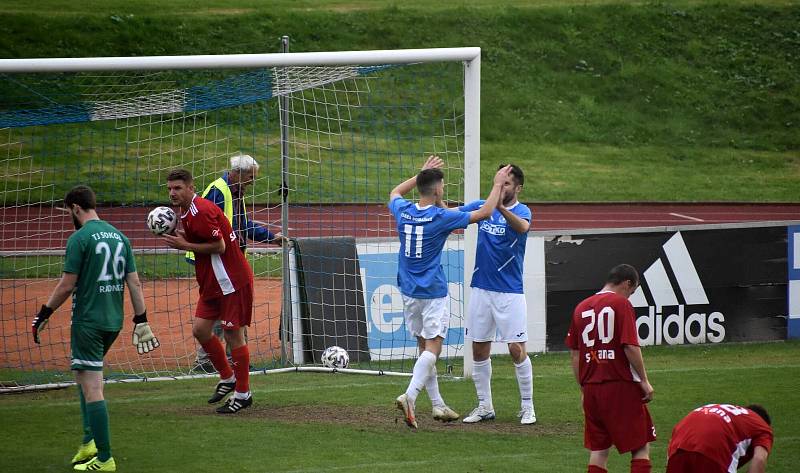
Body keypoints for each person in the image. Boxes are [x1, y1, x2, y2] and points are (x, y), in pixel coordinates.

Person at [31, 185, 159, 472]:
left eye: (68, 211)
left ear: (76, 207)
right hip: (113, 321)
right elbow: (134, 282)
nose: (69, 216)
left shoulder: (79, 238)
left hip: (88, 322)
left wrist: (44, 313)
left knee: (92, 386)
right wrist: (142, 319)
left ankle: (104, 457)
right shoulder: (121, 237)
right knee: (84, 374)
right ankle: (89, 440)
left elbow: (67, 284)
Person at [390, 155, 512, 429]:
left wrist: (421, 172)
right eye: (442, 185)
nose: (443, 189)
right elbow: (484, 213)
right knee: (434, 347)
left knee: (423, 346)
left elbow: (395, 192)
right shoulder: (440, 217)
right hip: (432, 291)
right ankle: (410, 396)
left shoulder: (403, 210)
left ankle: (437, 405)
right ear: (436, 190)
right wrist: (496, 184)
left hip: (408, 290)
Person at [163, 169, 255, 414]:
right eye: (170, 188)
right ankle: (228, 377)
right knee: (200, 330)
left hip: (231, 282)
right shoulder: (187, 212)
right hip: (214, 283)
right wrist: (183, 237)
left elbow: (219, 245)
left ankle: (243, 393)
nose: (173, 193)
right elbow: (204, 238)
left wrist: (184, 245)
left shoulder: (201, 210)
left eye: (178, 188)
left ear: (191, 188)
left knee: (233, 335)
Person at [188, 153, 281, 373]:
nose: (252, 182)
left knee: (229, 309)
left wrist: (270, 237)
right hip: (216, 261)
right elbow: (207, 225)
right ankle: (213, 360)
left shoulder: (234, 191)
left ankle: (228, 359)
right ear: (238, 174)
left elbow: (243, 225)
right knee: (225, 309)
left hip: (228, 261)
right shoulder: (219, 191)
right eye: (250, 177)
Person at [459, 164, 536, 425]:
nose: (502, 188)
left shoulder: (522, 210)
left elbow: (523, 228)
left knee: (516, 349)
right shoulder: (483, 206)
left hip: (510, 292)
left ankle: (528, 406)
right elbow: (452, 214)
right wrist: (436, 197)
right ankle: (485, 406)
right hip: (481, 287)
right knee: (479, 349)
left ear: (517, 188)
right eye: (499, 182)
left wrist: (499, 208)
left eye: (507, 184)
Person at [564, 264, 655, 473]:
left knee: (599, 449)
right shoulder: (621, 304)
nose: (630, 296)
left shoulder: (581, 307)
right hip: (619, 384)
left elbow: (575, 354)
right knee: (640, 445)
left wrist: (584, 388)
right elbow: (630, 346)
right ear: (627, 283)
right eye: (631, 292)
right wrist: (643, 380)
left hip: (592, 389)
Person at [667, 403, 773, 473]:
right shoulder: (762, 427)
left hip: (678, 445)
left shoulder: (724, 409)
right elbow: (759, 459)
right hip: (712, 450)